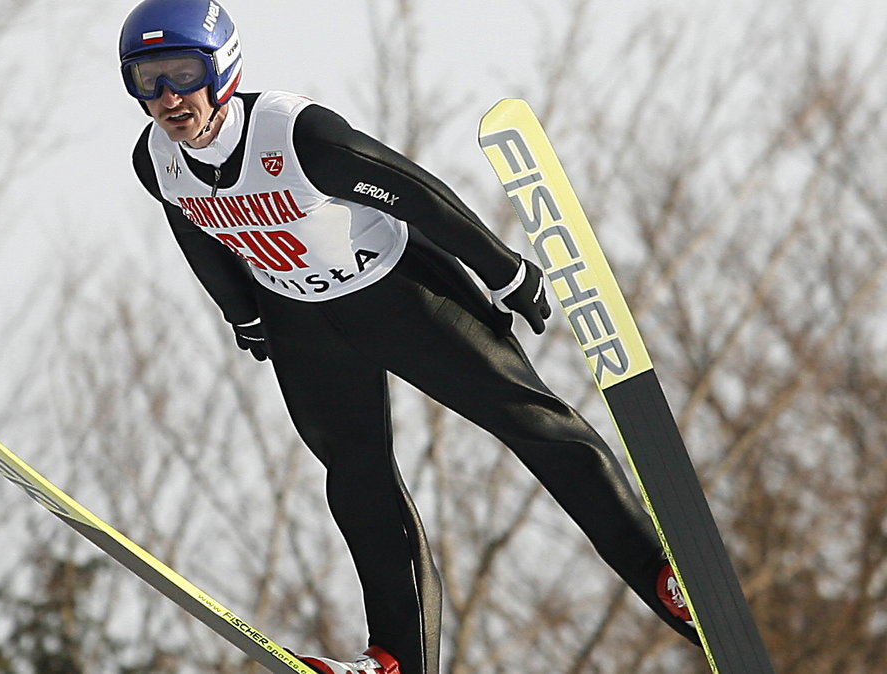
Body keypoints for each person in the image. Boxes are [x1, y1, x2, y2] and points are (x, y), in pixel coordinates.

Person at [119, 1, 700, 672]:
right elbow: (194, 224)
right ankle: (395, 660)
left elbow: (418, 194)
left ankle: (665, 579)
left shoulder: (300, 136)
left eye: (181, 73)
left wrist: (502, 270)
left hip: (400, 295)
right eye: (146, 79)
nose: (166, 97)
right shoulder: (154, 158)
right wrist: (240, 310)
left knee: (534, 425)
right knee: (357, 480)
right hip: (303, 323)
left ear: (221, 68)